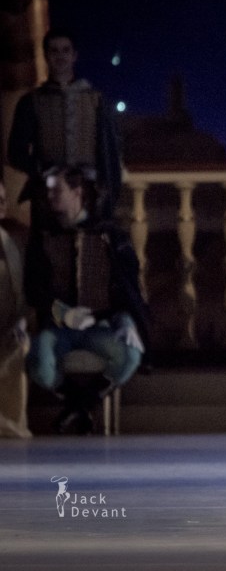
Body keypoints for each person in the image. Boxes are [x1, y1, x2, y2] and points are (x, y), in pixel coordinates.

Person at [24, 166, 147, 435]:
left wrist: (125, 319)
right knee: (38, 359)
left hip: (99, 324)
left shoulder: (110, 236)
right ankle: (80, 407)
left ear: (77, 192)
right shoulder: (44, 237)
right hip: (58, 327)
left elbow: (127, 285)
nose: (50, 196)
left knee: (129, 355)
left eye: (57, 190)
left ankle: (79, 407)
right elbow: (33, 289)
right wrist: (62, 313)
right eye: (48, 190)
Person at [7, 27, 123, 227]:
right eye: (54, 51)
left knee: (90, 251)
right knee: (49, 251)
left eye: (65, 50)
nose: (60, 56)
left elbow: (110, 153)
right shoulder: (31, 102)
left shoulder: (96, 100)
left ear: (74, 55)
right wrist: (45, 172)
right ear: (46, 56)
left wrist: (109, 198)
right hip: (48, 192)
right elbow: (15, 152)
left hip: (89, 191)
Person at [0, 179, 31, 438]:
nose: (2, 206)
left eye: (3, 200)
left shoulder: (13, 243)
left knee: (18, 345)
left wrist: (21, 322)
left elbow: (23, 295)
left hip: (7, 327)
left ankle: (11, 425)